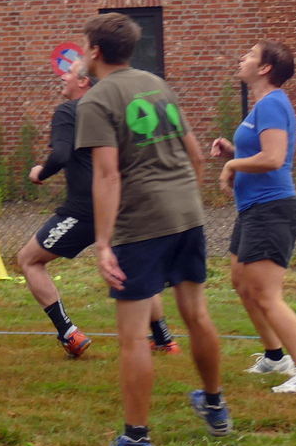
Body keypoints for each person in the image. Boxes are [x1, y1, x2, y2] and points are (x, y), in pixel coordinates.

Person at [74, 12, 226, 446]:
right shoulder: (157, 85)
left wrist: (103, 243)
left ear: (95, 51)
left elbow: (107, 175)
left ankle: (135, 445)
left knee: (133, 336)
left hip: (142, 223)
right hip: (186, 213)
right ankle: (216, 406)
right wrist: (186, 199)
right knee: (197, 315)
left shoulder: (97, 100)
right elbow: (195, 154)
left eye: (83, 45)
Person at [20, 58, 180, 358]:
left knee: (29, 260)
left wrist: (40, 172)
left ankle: (69, 334)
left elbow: (61, 154)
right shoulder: (112, 110)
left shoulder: (69, 110)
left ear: (83, 81)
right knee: (133, 271)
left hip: (86, 210)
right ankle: (164, 339)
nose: (62, 77)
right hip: (124, 203)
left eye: (68, 73)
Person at [208, 40, 296, 393]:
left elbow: (274, 158)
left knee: (266, 293)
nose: (242, 58)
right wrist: (233, 151)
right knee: (242, 283)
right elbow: (263, 152)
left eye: (250, 55)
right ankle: (275, 356)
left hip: (272, 209)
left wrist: (232, 164)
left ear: (265, 68)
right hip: (253, 209)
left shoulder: (272, 103)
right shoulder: (262, 105)